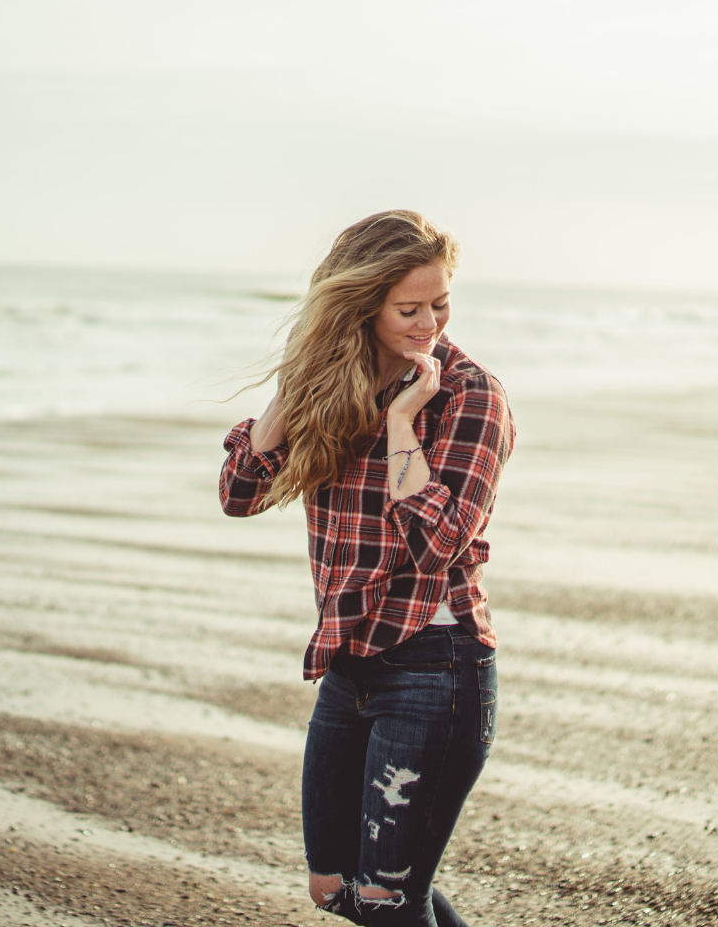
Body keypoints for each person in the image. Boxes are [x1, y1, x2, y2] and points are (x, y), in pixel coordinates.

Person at [219, 210, 515, 926]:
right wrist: (297, 385)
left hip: (435, 671)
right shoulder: (327, 385)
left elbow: (438, 543)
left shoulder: (471, 396)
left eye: (440, 304)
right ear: (362, 307)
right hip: (350, 667)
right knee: (337, 888)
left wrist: (401, 426)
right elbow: (240, 493)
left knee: (388, 899)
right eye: (408, 308)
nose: (429, 324)